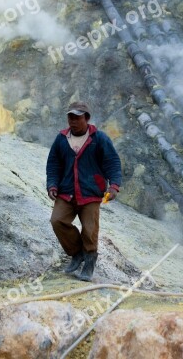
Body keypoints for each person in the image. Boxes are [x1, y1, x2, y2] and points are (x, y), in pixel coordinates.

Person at [46, 101, 122, 281]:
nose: (73, 121)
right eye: (70, 117)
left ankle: (89, 262)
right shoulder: (61, 139)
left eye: (77, 117)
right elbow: (53, 164)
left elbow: (112, 162)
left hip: (90, 192)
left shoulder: (99, 138)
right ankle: (76, 253)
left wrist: (114, 186)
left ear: (86, 119)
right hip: (66, 191)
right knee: (57, 221)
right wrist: (52, 185)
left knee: (90, 230)